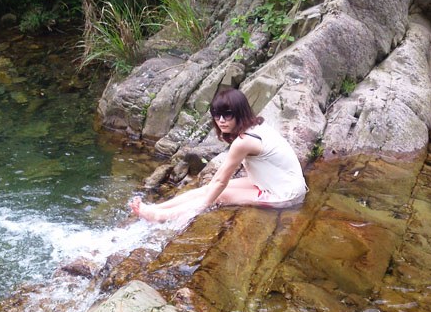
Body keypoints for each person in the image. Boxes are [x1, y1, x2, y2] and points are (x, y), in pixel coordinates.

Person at [130, 88, 307, 222]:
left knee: (218, 195)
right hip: (273, 183)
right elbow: (216, 181)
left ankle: (160, 217)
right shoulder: (255, 126)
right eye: (217, 115)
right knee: (207, 189)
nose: (221, 120)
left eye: (227, 114)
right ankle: (158, 208)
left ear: (239, 113)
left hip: (285, 194)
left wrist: (200, 207)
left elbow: (221, 182)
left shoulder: (244, 141)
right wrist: (209, 191)